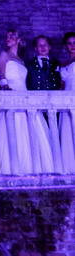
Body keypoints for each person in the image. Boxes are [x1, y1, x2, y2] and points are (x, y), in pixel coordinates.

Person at [0, 29, 55, 173]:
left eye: (12, 36)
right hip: (13, 97)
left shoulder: (21, 60)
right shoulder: (4, 55)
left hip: (25, 95)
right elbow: (2, 77)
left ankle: (34, 166)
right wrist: (7, 88)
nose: (8, 38)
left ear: (19, 40)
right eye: (7, 36)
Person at [59, 31, 75, 172]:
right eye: (69, 43)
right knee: (68, 132)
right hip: (66, 99)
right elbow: (62, 85)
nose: (72, 46)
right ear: (66, 46)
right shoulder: (63, 63)